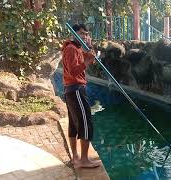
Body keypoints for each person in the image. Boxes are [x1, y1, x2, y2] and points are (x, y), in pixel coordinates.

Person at [62, 23, 101, 168]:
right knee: (86, 123)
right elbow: (74, 71)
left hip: (71, 90)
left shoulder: (75, 48)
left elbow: (91, 58)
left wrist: (90, 49)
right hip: (76, 89)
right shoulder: (72, 49)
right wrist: (87, 61)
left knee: (73, 124)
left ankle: (75, 157)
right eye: (82, 33)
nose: (85, 36)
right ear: (74, 33)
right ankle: (84, 160)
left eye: (86, 34)